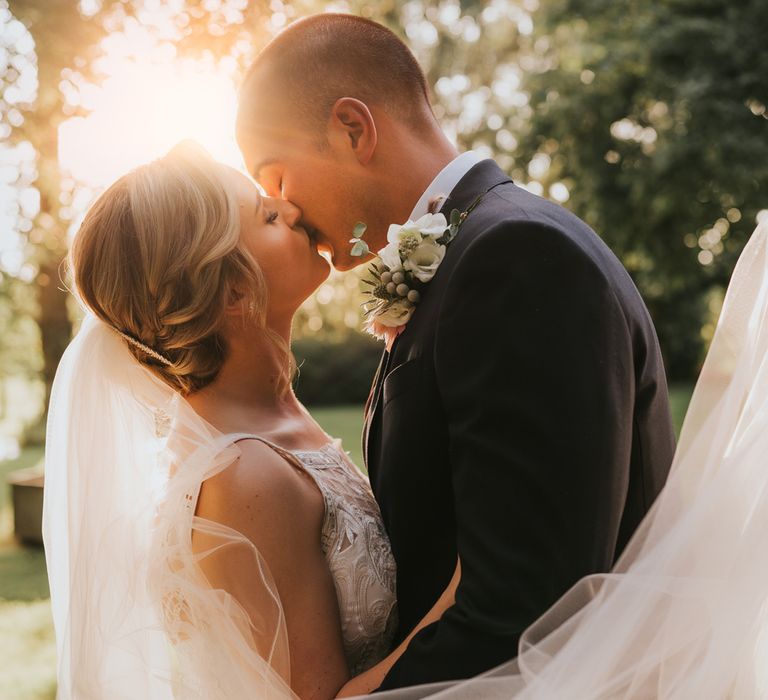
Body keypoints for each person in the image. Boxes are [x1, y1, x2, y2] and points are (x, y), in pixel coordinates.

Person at [236, 13, 676, 690]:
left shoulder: (516, 258)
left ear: (352, 129)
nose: (286, 212)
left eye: (278, 181)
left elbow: (524, 613)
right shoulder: (473, 254)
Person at [43, 142, 457, 699]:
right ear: (233, 289)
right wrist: (467, 589)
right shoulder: (247, 476)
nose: (290, 208)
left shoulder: (274, 417)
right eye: (266, 214)